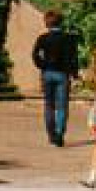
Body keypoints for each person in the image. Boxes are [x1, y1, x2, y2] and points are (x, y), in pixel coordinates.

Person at [31, 10, 80, 147]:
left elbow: (35, 55)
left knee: (49, 105)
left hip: (47, 73)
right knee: (62, 106)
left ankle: (51, 133)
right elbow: (73, 58)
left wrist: (42, 65)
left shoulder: (43, 38)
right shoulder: (69, 38)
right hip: (63, 74)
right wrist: (74, 73)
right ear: (61, 22)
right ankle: (59, 133)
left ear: (47, 23)